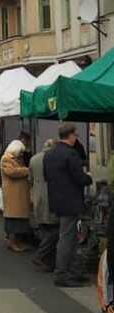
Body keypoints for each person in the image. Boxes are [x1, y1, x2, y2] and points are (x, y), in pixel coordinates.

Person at [44, 123, 93, 287]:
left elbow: (47, 176)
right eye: (76, 135)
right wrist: (89, 177)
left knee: (69, 236)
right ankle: (62, 273)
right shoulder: (70, 154)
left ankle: (74, 271)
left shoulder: (49, 154)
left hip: (56, 200)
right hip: (70, 201)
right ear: (71, 136)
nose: (76, 138)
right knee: (67, 238)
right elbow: (80, 178)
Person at [29, 139, 58, 273]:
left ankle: (49, 264)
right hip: (50, 197)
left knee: (45, 230)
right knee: (54, 230)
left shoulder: (34, 159)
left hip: (37, 197)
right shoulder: (54, 159)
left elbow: (30, 179)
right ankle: (40, 255)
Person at [0, 139, 31, 253]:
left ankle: (17, 242)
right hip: (13, 194)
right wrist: (27, 170)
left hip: (19, 194)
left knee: (19, 221)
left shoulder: (17, 159)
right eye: (20, 152)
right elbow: (12, 172)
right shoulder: (6, 158)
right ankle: (12, 242)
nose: (22, 154)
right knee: (13, 221)